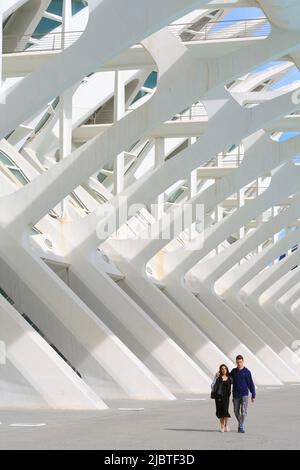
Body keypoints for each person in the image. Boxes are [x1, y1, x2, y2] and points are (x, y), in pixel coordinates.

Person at [230, 355, 256, 434]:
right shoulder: (233, 371)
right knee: (235, 411)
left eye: (240, 362)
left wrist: (253, 395)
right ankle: (240, 423)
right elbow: (227, 379)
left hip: (244, 394)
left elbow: (251, 384)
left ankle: (241, 426)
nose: (239, 363)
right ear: (236, 362)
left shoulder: (247, 372)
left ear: (243, 362)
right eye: (237, 362)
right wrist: (220, 374)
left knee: (243, 411)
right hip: (235, 395)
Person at [211, 364, 233, 432]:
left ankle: (226, 425)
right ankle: (222, 426)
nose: (224, 370)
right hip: (219, 397)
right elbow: (212, 385)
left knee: (225, 411)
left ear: (227, 370)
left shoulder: (229, 378)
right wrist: (215, 377)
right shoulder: (218, 377)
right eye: (222, 369)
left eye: (225, 368)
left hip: (226, 397)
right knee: (220, 411)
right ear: (220, 370)